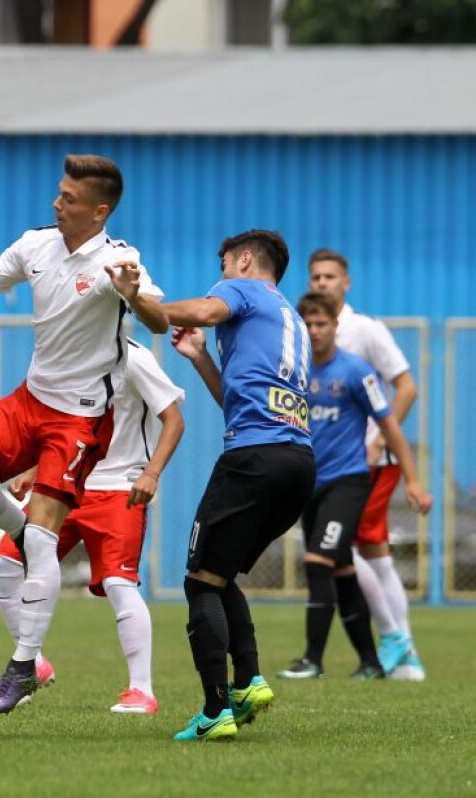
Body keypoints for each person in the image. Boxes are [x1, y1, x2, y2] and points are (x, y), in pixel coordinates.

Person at [0, 154, 169, 716]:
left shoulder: (121, 259)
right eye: (58, 193)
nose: (56, 202)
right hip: (29, 399)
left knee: (45, 541)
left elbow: (159, 322)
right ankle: (25, 536)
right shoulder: (35, 244)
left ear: (99, 211)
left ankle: (24, 666)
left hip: (78, 418)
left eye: (69, 199)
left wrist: (134, 293)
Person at [164, 229, 316, 742]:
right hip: (297, 463)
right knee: (221, 575)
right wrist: (200, 357)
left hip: (254, 460)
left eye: (225, 264)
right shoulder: (290, 319)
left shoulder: (246, 291)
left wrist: (139, 301)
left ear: (245, 260)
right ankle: (249, 682)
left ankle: (213, 712)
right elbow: (238, 402)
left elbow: (204, 310)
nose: (220, 277)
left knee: (198, 581)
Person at [0, 338, 184, 715]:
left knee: (118, 582)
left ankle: (141, 690)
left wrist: (152, 473)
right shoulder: (73, 352)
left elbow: (174, 420)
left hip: (118, 490)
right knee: (6, 561)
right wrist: (32, 469)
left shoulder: (136, 357)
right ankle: (33, 664)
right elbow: (58, 425)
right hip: (67, 482)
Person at [278, 292, 432, 681]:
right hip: (308, 484)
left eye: (321, 324)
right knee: (343, 571)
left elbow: (390, 426)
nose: (314, 331)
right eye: (308, 324)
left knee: (317, 563)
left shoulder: (357, 372)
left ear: (335, 327)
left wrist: (413, 480)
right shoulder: (294, 370)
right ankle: (370, 662)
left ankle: (312, 660)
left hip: (347, 482)